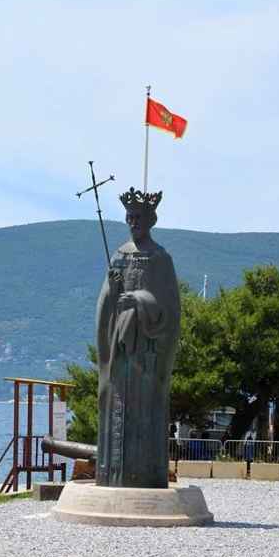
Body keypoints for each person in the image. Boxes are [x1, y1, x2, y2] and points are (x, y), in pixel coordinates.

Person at [95, 187, 181, 488]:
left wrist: (140, 300)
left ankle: (143, 474)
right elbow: (105, 305)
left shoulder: (160, 259)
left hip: (147, 354)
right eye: (129, 217)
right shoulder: (119, 255)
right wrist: (113, 289)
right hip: (120, 352)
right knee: (117, 410)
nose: (133, 222)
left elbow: (170, 309)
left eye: (138, 217)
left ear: (150, 220)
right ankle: (112, 475)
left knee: (144, 413)